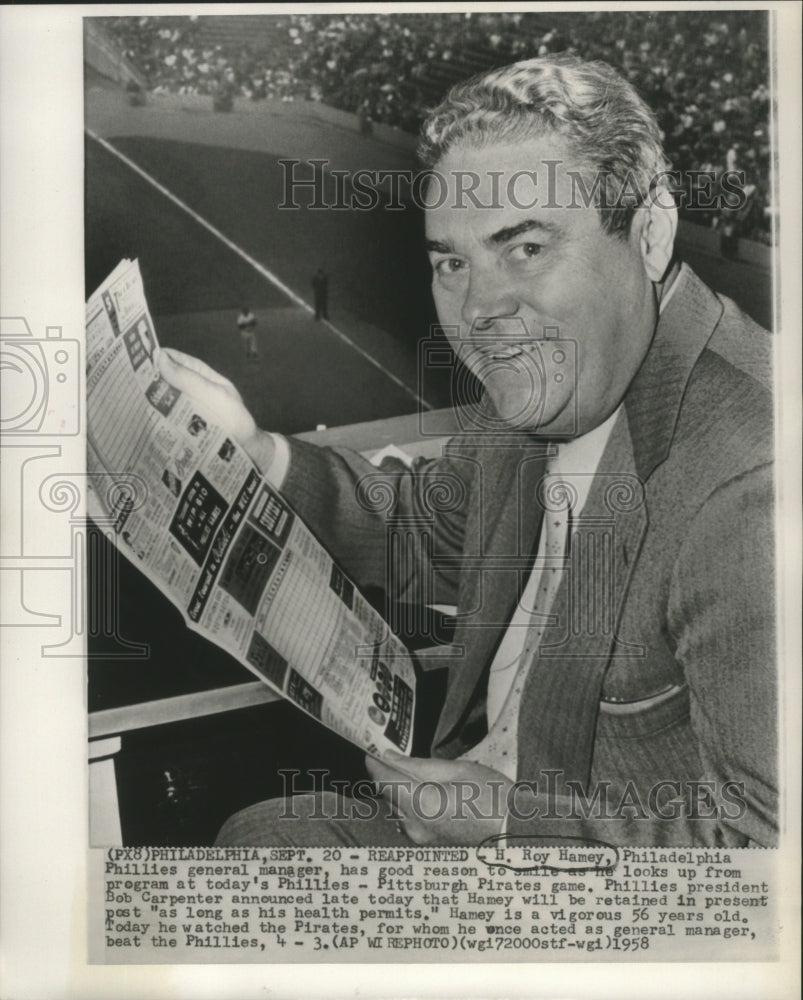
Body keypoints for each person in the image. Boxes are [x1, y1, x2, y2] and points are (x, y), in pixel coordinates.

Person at [158, 54, 775, 848]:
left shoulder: (751, 477)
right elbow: (431, 529)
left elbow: (767, 858)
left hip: (613, 916)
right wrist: (254, 451)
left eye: (523, 249)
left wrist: (506, 819)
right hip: (492, 816)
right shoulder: (552, 377)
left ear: (648, 236)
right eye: (453, 261)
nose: (479, 309)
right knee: (266, 840)